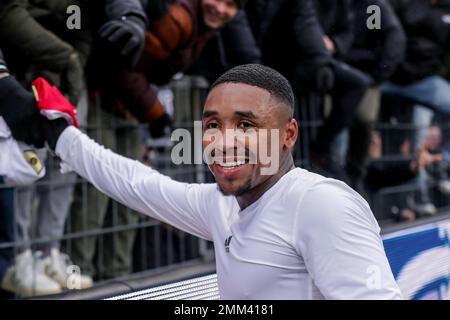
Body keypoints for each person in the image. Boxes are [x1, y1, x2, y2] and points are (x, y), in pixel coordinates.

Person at [27, 64, 402, 299]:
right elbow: (134, 183)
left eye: (246, 125)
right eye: (211, 125)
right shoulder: (221, 205)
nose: (224, 142)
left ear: (288, 135)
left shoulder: (321, 204)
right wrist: (60, 134)